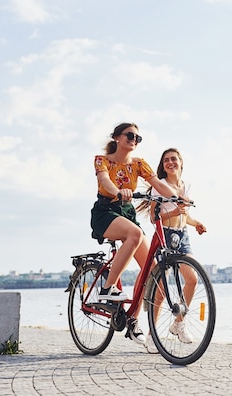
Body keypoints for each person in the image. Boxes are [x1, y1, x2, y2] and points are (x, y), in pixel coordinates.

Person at [90, 122, 178, 348]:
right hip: (106, 212)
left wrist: (178, 197)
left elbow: (157, 184)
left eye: (138, 138)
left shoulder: (139, 164)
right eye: (130, 136)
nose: (134, 140)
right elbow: (105, 180)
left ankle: (132, 319)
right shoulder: (102, 160)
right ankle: (108, 288)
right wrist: (119, 191)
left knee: (151, 266)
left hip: (127, 213)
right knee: (135, 234)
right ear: (117, 137)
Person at [136, 148, 206, 350]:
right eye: (166, 160)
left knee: (192, 278)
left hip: (182, 235)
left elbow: (185, 215)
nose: (170, 163)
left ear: (181, 162)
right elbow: (153, 217)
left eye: (173, 159)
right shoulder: (160, 186)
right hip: (164, 235)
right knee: (161, 287)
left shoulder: (186, 185)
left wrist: (196, 223)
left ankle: (178, 323)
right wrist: (176, 210)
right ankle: (152, 335)